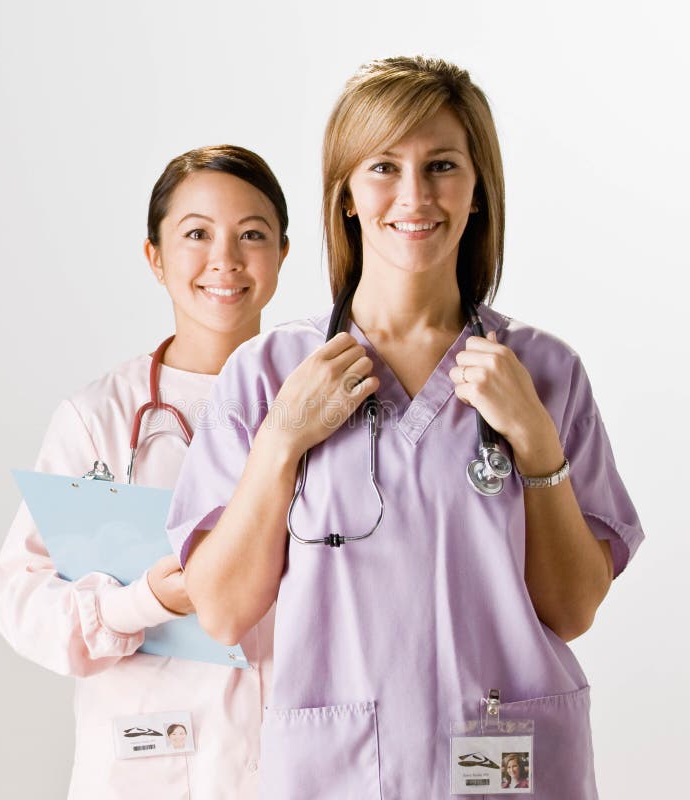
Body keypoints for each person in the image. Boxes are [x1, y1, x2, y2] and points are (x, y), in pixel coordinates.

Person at [165, 57, 644, 799]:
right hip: (341, 772)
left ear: (478, 188)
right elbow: (223, 611)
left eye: (442, 165)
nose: (414, 195)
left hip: (505, 771)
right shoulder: (269, 374)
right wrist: (282, 441)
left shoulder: (544, 372)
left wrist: (537, 444)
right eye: (384, 166)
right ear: (347, 195)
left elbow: (572, 609)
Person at [0, 144, 289, 799]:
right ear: (153, 257)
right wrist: (140, 603)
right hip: (152, 767)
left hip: (299, 765)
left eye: (252, 235)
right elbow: (20, 601)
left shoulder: (320, 403)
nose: (226, 259)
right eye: (196, 234)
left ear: (283, 255)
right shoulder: (100, 417)